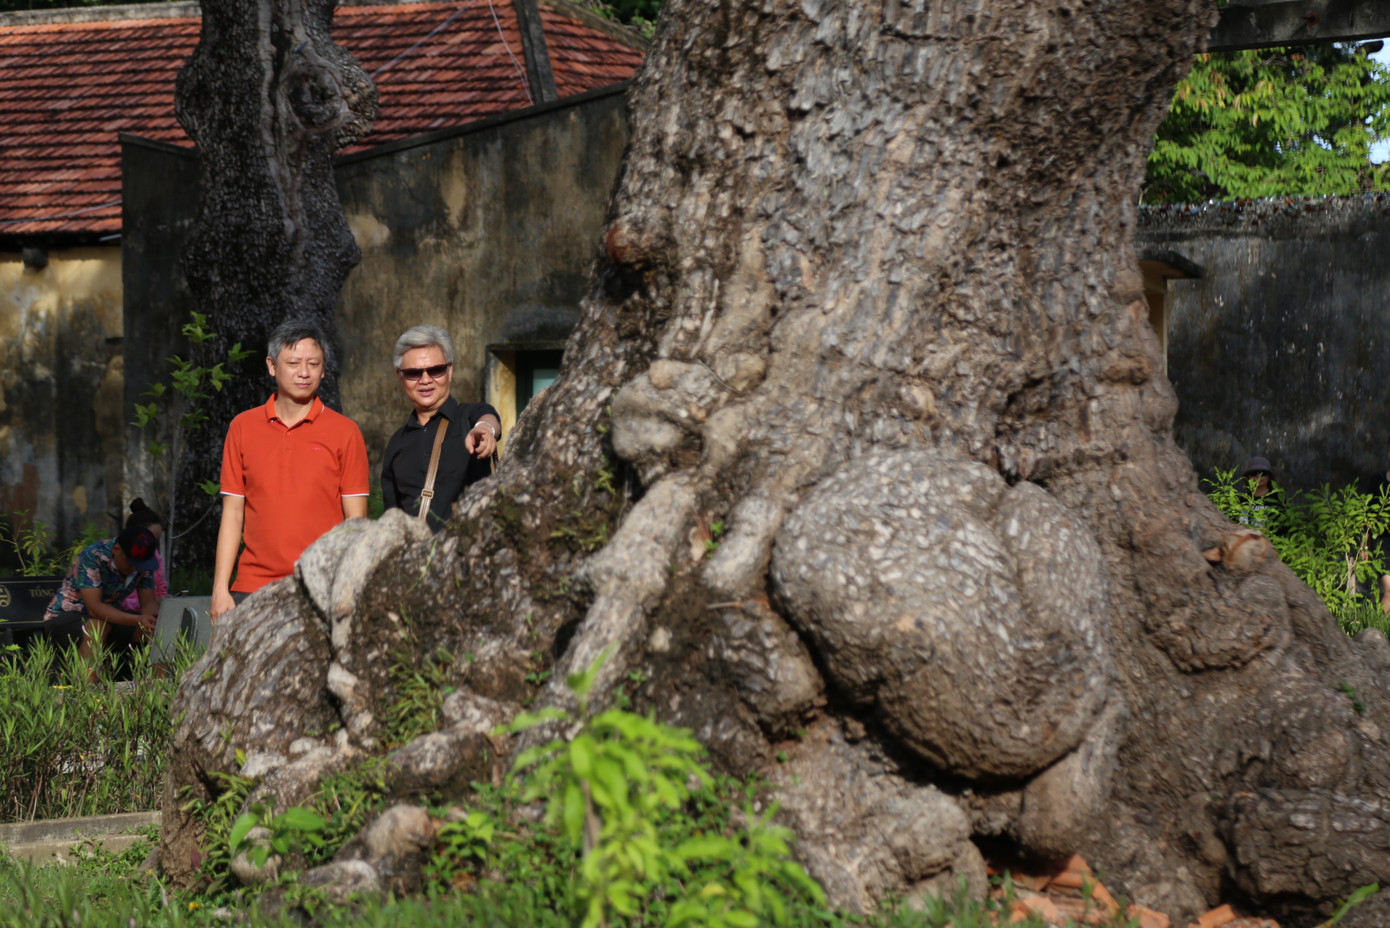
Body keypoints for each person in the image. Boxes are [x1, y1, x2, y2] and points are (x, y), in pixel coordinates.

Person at [211, 318, 370, 621]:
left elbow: (356, 522)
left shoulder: (345, 432)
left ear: (323, 370)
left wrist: (352, 587)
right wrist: (220, 588)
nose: (304, 372)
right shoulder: (243, 428)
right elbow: (232, 513)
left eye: (313, 363)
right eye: (293, 362)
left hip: (322, 587)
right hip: (252, 588)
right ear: (272, 366)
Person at [381, 325, 500, 531]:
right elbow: (392, 520)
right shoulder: (397, 443)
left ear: (450, 371)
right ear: (400, 377)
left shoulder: (468, 417)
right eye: (413, 373)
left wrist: (486, 431)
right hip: (416, 558)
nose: (425, 380)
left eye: (435, 370)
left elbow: (488, 418)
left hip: (467, 555)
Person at [44, 524, 161, 670]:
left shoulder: (142, 564)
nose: (135, 568)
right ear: (117, 549)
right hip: (67, 617)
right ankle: (87, 686)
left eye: (139, 565)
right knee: (97, 627)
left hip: (109, 619)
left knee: (154, 630)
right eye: (131, 563)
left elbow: (148, 603)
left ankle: (160, 686)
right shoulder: (93, 555)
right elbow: (95, 609)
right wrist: (138, 620)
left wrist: (154, 621)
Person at [117, 499, 168, 614]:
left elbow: (160, 587)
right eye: (149, 539)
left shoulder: (153, 556)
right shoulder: (112, 555)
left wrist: (164, 600)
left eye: (156, 541)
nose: (152, 545)